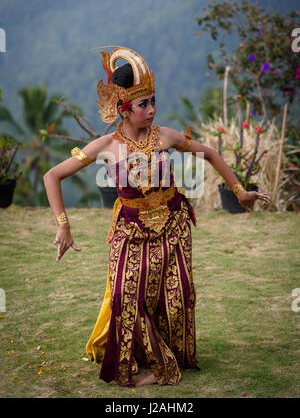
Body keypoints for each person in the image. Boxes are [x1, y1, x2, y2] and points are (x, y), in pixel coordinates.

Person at [43, 46, 271, 387]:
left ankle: (168, 355)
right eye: (143, 104)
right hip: (130, 232)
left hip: (173, 229)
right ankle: (142, 362)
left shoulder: (165, 136)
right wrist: (64, 225)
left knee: (178, 297)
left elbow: (208, 153)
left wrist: (239, 192)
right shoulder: (104, 146)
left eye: (153, 101)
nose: (151, 110)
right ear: (124, 109)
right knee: (125, 296)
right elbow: (52, 175)